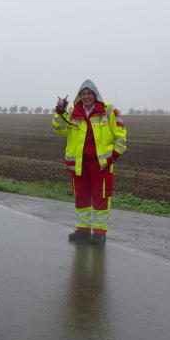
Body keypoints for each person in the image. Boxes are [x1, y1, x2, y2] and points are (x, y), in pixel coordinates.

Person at [52, 79, 127, 245]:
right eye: (83, 94)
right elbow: (59, 129)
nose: (86, 97)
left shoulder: (108, 110)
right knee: (81, 196)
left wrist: (112, 157)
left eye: (89, 93)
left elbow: (121, 136)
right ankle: (83, 230)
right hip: (79, 163)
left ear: (95, 94)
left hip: (101, 163)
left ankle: (100, 232)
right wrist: (59, 112)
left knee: (101, 196)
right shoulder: (72, 111)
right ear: (79, 96)